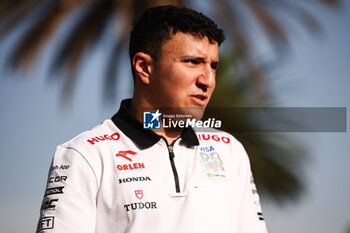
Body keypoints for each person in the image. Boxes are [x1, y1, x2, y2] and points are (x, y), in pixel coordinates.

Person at [36, 5, 268, 233]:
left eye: (213, 66)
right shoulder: (85, 155)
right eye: (193, 62)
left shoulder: (229, 151)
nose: (207, 80)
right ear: (144, 67)